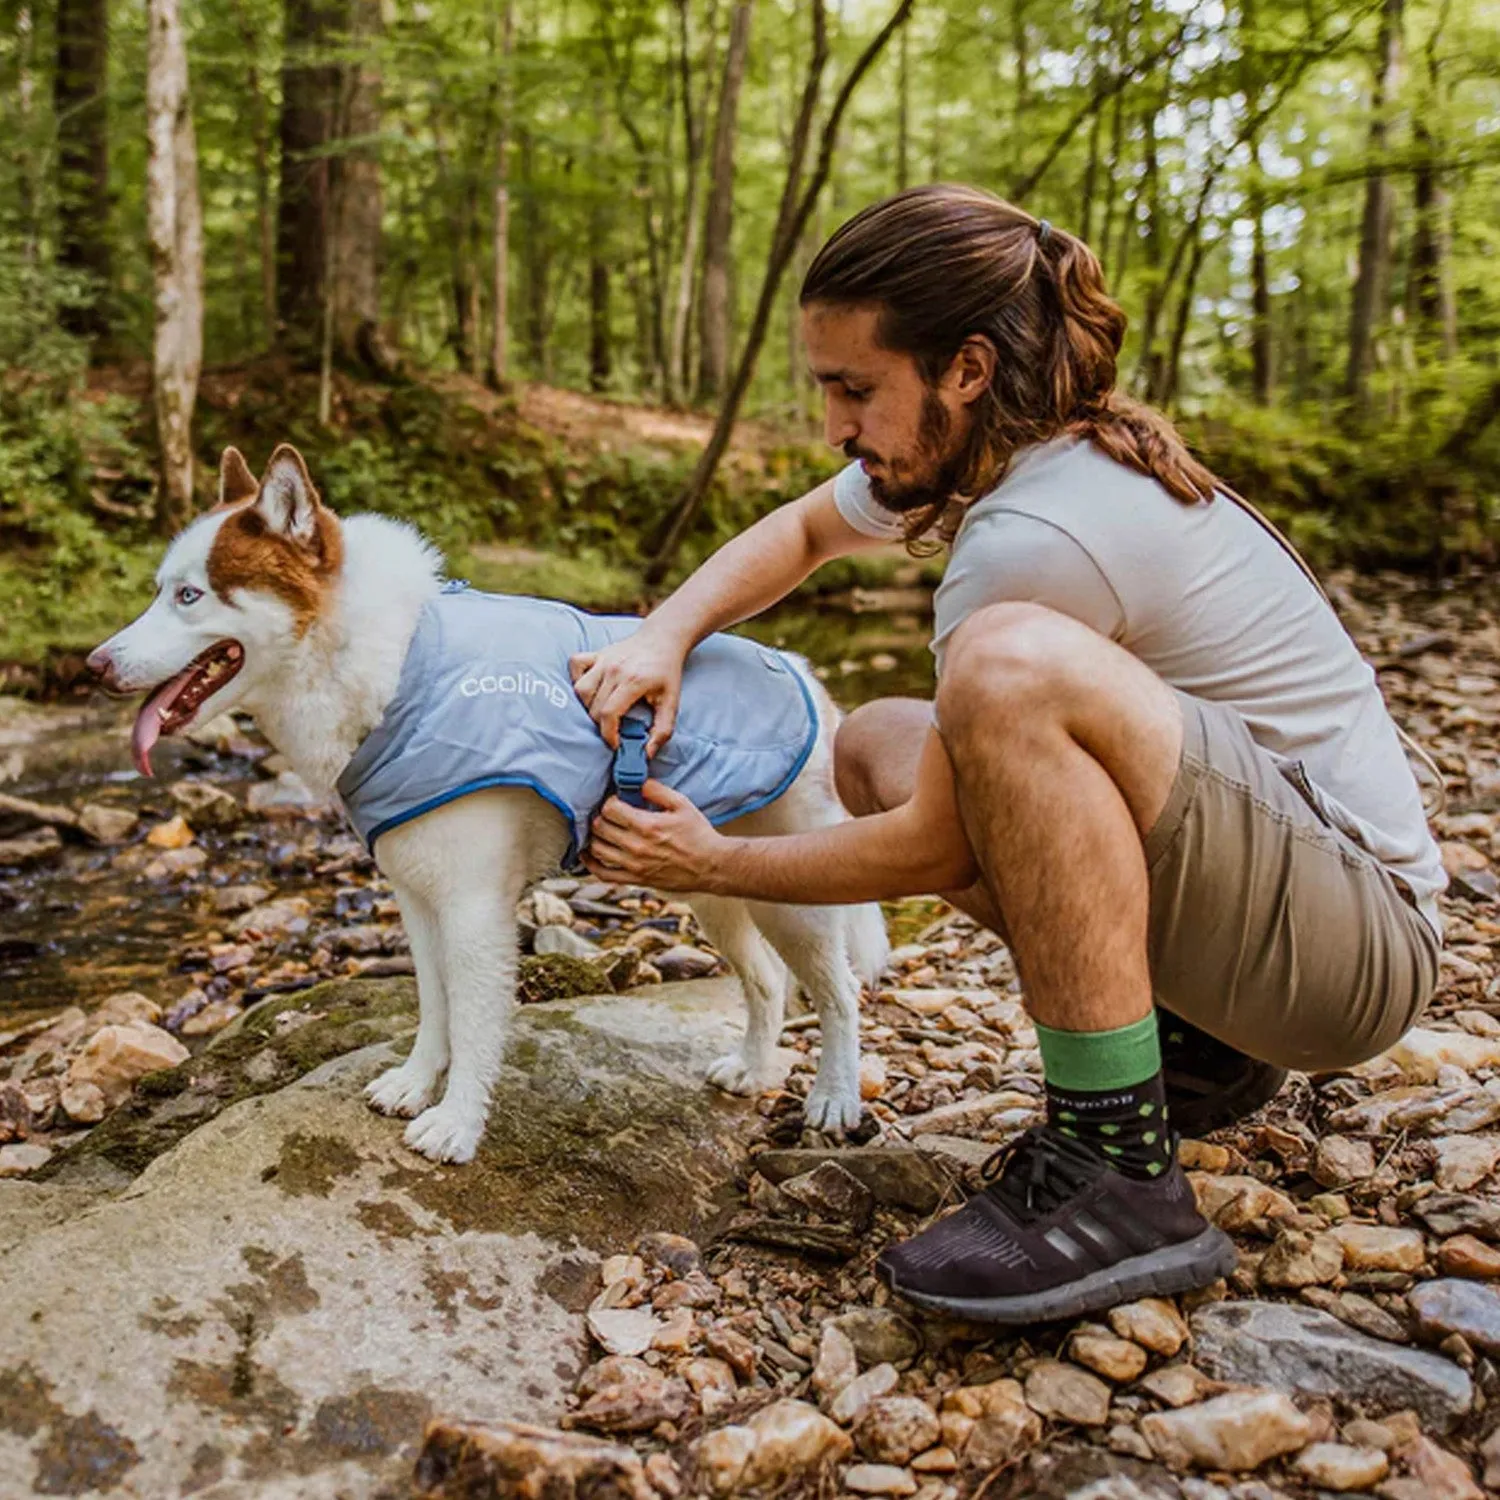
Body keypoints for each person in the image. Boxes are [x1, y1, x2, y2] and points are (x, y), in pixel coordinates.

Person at [568, 184, 1443, 1324]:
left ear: (967, 369)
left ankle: (1115, 1170)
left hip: (1352, 957)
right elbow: (804, 531)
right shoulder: (1012, 453)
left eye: (854, 389)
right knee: (882, 741)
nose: (834, 422)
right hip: (1284, 928)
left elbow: (933, 849)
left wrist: (711, 862)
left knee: (1002, 669)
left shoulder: (1036, 531)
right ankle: (1199, 1051)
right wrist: (666, 632)